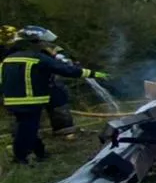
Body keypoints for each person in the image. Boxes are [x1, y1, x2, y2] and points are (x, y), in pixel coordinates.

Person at [1, 26, 108, 164]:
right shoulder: (38, 58)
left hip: (12, 101)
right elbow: (66, 70)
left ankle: (41, 153)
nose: (46, 45)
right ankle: (20, 158)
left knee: (26, 127)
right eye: (43, 42)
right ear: (35, 42)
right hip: (30, 100)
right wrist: (94, 74)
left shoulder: (9, 58)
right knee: (27, 129)